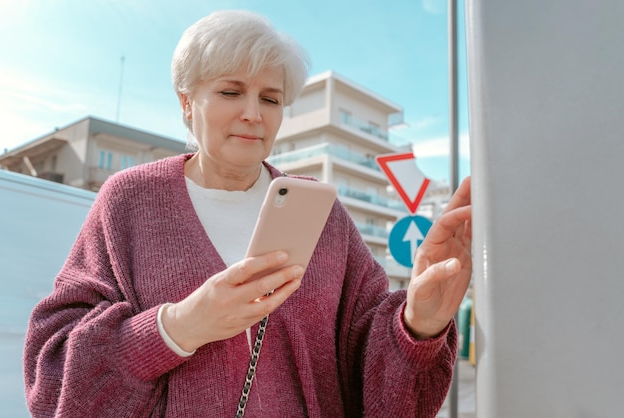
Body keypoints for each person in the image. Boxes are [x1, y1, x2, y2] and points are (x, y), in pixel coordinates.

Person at [23, 9, 472, 418]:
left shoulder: (322, 213)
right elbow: (53, 364)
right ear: (186, 102)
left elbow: (367, 347)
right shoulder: (129, 200)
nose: (253, 114)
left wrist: (419, 322)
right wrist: (178, 327)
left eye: (271, 99)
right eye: (231, 91)